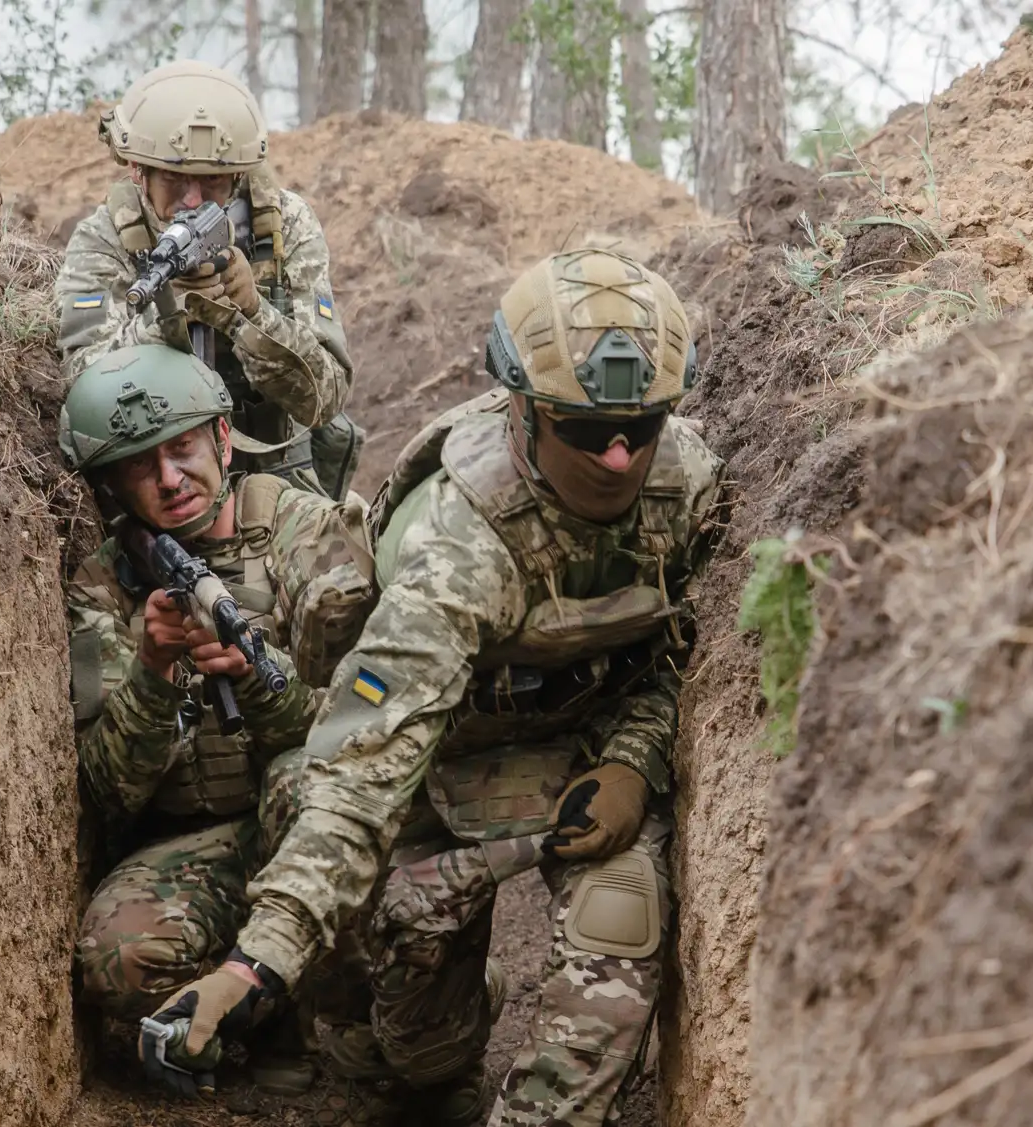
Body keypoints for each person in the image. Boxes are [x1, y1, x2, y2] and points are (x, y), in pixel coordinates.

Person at [142, 249, 729, 1126]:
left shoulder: (690, 489)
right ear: (524, 410)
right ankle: (417, 1018)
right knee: (416, 1058)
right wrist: (253, 965)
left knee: (622, 913)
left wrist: (636, 761)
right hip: (431, 758)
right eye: (585, 429)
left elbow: (690, 656)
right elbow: (363, 771)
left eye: (641, 427)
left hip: (576, 756)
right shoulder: (456, 548)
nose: (617, 456)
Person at [58, 342, 373, 1093]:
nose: (170, 480)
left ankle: (390, 1010)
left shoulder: (304, 532)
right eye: (142, 466)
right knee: (116, 957)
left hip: (311, 815)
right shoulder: (104, 582)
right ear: (113, 485)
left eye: (183, 449)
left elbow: (363, 740)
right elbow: (108, 790)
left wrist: (260, 684)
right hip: (201, 838)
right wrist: (156, 670)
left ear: (223, 439)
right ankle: (249, 1021)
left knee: (303, 781)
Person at [55, 59, 365, 500]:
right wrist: (164, 318)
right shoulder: (105, 239)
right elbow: (77, 391)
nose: (193, 200)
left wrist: (250, 313)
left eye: (213, 182)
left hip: (274, 479)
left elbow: (327, 397)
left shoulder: (280, 226)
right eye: (173, 178)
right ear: (136, 170)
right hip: (155, 483)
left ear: (238, 175)